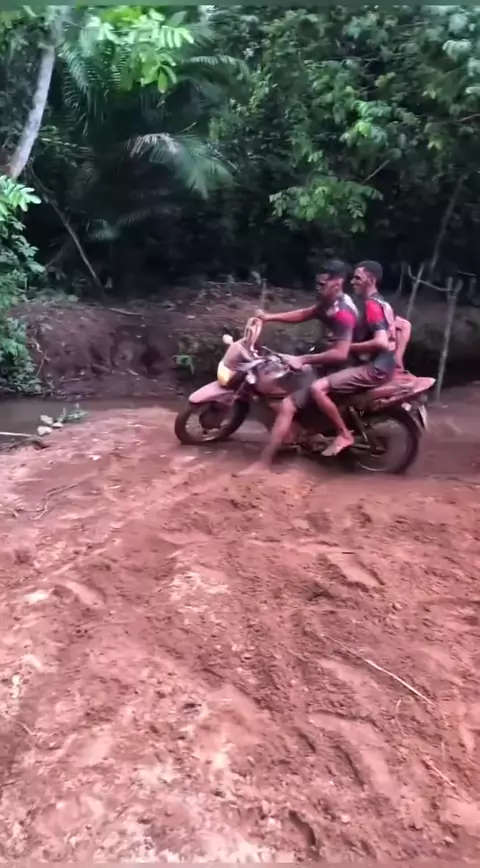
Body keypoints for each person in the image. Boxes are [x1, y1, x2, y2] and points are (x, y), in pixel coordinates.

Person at [237, 260, 359, 474]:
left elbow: (341, 354)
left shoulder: (343, 312)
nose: (318, 288)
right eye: (317, 283)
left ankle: (263, 463)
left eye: (322, 284)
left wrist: (303, 360)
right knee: (284, 366)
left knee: (287, 405)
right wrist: (269, 317)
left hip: (337, 370)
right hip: (324, 363)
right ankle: (304, 432)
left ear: (337, 283)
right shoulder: (329, 302)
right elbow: (305, 313)